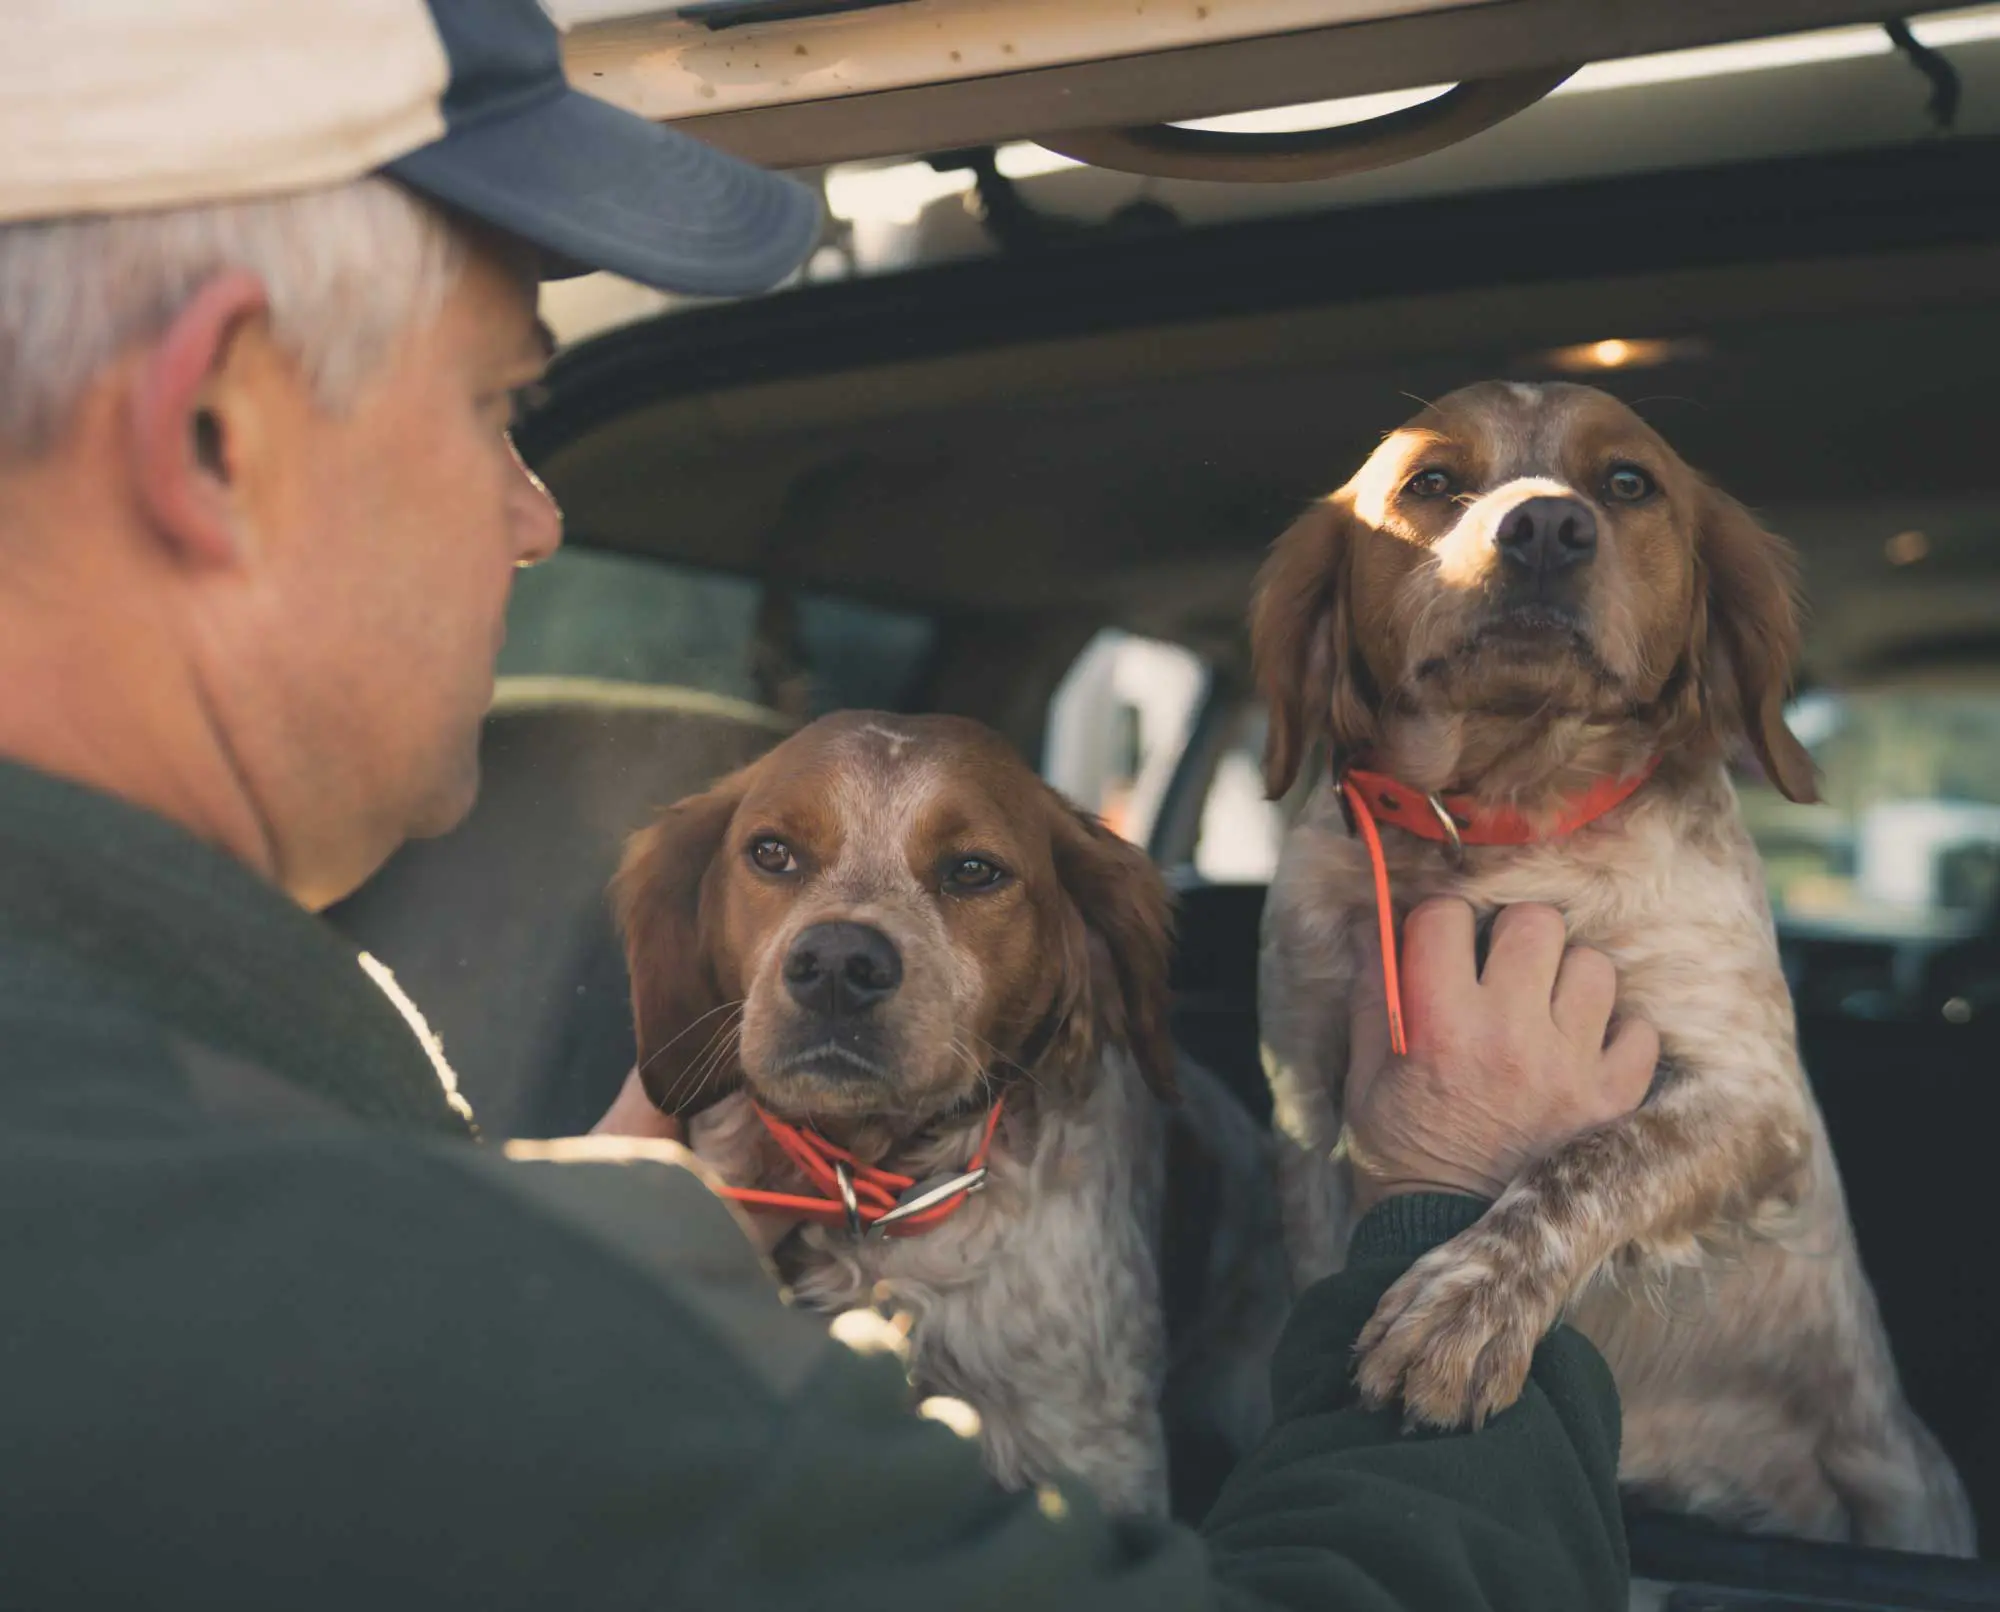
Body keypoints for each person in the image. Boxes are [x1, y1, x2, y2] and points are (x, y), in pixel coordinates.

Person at [0, 2, 1660, 1606]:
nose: (535, 516)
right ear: (218, 432)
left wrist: (555, 1212)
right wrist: (1458, 1201)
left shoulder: (206, 1144)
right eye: (498, 404)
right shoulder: (490, 1342)